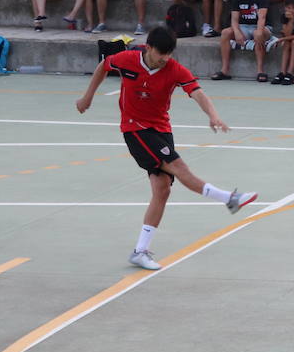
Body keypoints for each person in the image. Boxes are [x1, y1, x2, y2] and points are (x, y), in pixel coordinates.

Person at [75, 25, 257, 269]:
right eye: (161, 54)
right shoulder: (127, 60)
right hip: (135, 129)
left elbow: (198, 93)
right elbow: (103, 66)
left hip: (162, 130)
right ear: (148, 48)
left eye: (169, 54)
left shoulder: (174, 69)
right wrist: (88, 97)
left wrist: (213, 115)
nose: (166, 59)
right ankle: (229, 199)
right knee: (179, 166)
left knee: (162, 189)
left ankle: (140, 251)